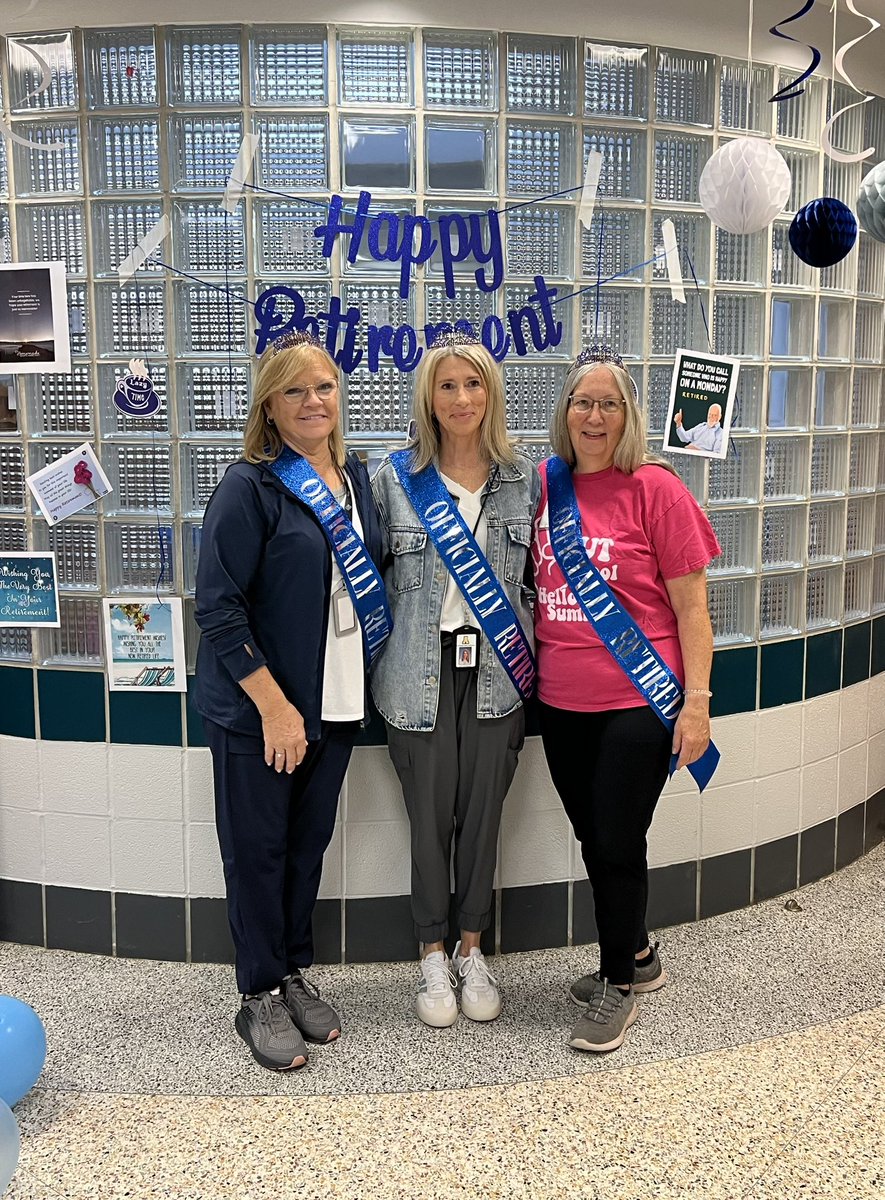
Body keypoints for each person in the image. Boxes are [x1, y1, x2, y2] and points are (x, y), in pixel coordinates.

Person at [193, 331, 389, 1071]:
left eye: (325, 387)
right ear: (270, 408)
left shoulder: (356, 481)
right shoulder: (250, 486)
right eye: (295, 391)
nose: (314, 401)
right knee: (257, 853)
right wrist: (275, 708)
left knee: (305, 850)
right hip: (260, 714)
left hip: (334, 705)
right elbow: (216, 608)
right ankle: (257, 994)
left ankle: (292, 972)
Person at [532, 345, 721, 1053]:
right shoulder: (547, 487)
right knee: (596, 836)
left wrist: (695, 703)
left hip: (638, 701)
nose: (594, 415)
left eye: (609, 403)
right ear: (566, 411)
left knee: (615, 840)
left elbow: (693, 609)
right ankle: (638, 952)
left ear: (628, 414)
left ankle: (618, 983)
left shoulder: (655, 488)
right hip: (560, 700)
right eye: (583, 401)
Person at [371, 330, 539, 1028]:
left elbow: (542, 580)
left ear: (490, 394)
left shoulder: (523, 480)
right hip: (416, 673)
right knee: (428, 821)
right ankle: (430, 954)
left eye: (473, 385)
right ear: (429, 397)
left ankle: (473, 948)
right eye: (447, 386)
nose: (461, 398)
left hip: (497, 671)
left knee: (482, 820)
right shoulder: (391, 479)